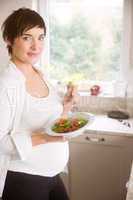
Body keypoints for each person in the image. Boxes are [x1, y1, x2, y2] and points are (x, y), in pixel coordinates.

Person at [0, 7, 78, 200]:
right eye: (27, 38)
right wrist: (46, 138)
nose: (36, 46)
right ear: (9, 39)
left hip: (51, 176)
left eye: (41, 37)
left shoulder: (40, 74)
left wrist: (65, 107)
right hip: (23, 180)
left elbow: (49, 122)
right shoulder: (5, 85)